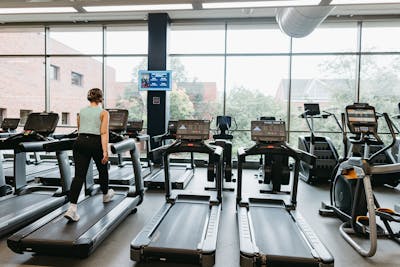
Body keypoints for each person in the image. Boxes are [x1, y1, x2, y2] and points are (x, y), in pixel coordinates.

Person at [64, 88, 114, 222]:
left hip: (80, 142)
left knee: (79, 176)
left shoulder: (82, 111)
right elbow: (104, 133)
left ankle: (72, 208)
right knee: (103, 169)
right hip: (95, 142)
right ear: (100, 98)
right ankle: (105, 194)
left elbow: (80, 129)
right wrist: (105, 151)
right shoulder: (104, 113)